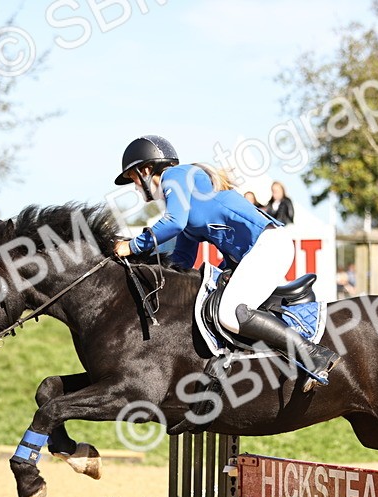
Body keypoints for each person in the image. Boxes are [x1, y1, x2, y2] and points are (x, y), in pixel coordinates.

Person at [111, 134, 338, 391]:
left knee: (231, 313)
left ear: (145, 170)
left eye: (132, 179)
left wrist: (132, 246)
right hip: (256, 251)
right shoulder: (185, 201)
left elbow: (173, 223)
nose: (134, 187)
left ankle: (314, 354)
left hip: (269, 244)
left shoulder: (175, 177)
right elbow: (182, 261)